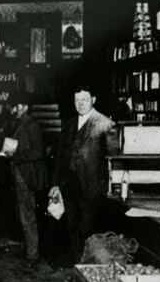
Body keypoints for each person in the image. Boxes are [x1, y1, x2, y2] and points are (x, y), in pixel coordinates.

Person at [49, 83, 119, 264]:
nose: (80, 104)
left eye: (85, 100)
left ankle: (88, 263)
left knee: (87, 227)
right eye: (77, 100)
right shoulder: (69, 124)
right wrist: (55, 183)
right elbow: (60, 157)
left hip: (92, 186)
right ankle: (78, 264)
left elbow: (115, 159)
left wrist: (113, 186)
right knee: (71, 224)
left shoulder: (106, 124)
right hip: (69, 183)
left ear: (93, 100)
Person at [4, 89, 47, 267]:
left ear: (26, 107)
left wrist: (16, 155)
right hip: (20, 173)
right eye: (15, 106)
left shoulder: (32, 125)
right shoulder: (21, 124)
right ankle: (29, 250)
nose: (15, 109)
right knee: (22, 215)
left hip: (27, 175)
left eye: (19, 106)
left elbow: (39, 152)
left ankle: (32, 255)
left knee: (27, 216)